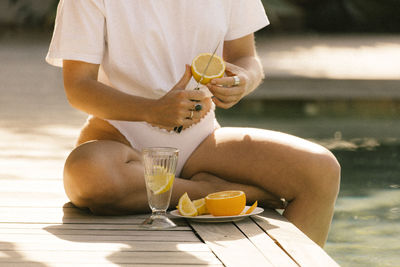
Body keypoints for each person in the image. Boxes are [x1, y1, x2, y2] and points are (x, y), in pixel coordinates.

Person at [46, 0, 340, 247]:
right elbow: (79, 87)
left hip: (201, 141)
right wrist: (152, 111)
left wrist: (242, 81)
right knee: (90, 174)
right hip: (119, 138)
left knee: (321, 170)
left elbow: (245, 58)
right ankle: (224, 193)